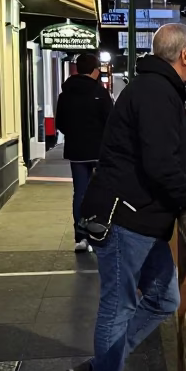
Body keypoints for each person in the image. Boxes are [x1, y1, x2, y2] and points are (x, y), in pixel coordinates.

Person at [67, 23, 186, 371]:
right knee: (119, 305)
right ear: (183, 55)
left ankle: (99, 370)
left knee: (165, 299)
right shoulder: (155, 93)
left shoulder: (155, 89)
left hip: (140, 219)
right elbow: (160, 164)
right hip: (124, 218)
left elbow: (167, 159)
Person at [55, 51, 113, 251]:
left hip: (76, 151)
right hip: (99, 151)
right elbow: (110, 121)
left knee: (79, 192)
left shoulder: (65, 94)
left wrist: (75, 135)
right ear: (95, 71)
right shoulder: (100, 93)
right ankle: (98, 233)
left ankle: (81, 237)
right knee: (101, 192)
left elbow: (60, 123)